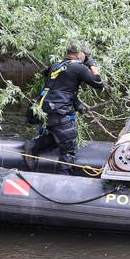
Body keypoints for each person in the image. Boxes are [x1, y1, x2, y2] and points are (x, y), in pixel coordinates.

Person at [24, 43, 103, 175]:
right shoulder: (79, 68)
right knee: (68, 147)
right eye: (86, 55)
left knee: (59, 138)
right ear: (80, 54)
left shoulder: (56, 65)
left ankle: (35, 145)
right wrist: (92, 64)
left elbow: (58, 84)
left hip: (43, 108)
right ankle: (64, 180)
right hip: (58, 110)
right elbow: (98, 83)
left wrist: (76, 103)